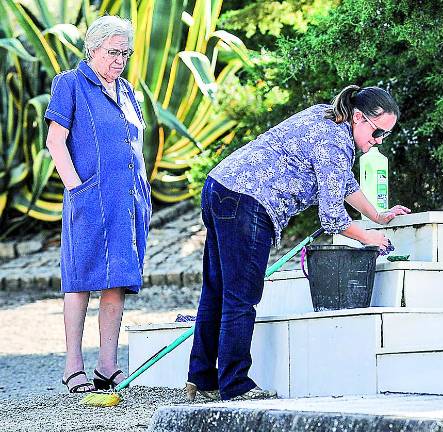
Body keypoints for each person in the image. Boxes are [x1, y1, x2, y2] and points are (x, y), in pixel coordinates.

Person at [185, 85, 410, 401]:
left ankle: (202, 378)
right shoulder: (336, 142)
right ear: (359, 117)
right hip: (248, 200)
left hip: (220, 187)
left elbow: (343, 183)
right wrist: (368, 237)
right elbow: (332, 218)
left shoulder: (327, 116)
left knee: (217, 290)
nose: (377, 142)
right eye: (377, 133)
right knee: (242, 296)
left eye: (384, 136)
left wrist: (377, 215)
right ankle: (235, 386)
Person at [44, 15, 151, 393]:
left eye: (125, 53)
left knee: (117, 279)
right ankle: (73, 365)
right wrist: (77, 190)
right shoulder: (70, 84)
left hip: (128, 199)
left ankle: (108, 366)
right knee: (79, 278)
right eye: (112, 52)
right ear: (92, 49)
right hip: (89, 197)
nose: (119, 60)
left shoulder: (127, 90)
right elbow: (55, 142)